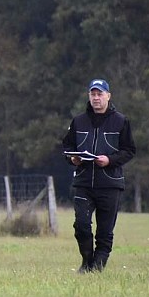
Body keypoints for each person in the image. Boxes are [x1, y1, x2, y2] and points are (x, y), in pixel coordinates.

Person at [61, 78, 136, 273]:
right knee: (82, 225)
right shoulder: (78, 121)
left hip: (110, 184)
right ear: (89, 96)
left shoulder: (121, 121)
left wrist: (110, 160)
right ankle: (86, 261)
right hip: (84, 182)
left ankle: (97, 268)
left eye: (100, 94)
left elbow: (129, 150)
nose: (96, 98)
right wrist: (73, 159)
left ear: (108, 96)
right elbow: (67, 147)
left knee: (104, 232)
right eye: (93, 94)